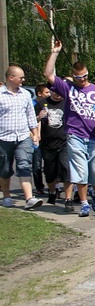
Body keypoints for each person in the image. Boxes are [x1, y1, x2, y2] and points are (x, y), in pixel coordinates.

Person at [43, 41, 95, 217]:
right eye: (77, 78)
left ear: (87, 74)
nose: (81, 81)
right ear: (73, 77)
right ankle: (83, 203)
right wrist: (55, 53)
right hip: (75, 135)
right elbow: (48, 74)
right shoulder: (68, 88)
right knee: (79, 171)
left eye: (84, 77)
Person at [0, 65, 41, 209]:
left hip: (23, 137)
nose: (23, 79)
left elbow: (30, 115)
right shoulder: (0, 94)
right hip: (3, 138)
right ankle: (6, 195)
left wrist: (35, 133)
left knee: (24, 165)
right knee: (5, 169)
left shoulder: (25, 94)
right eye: (21, 77)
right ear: (11, 78)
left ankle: (29, 198)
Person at [36, 86, 70, 207]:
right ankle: (52, 191)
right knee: (50, 172)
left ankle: (68, 199)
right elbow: (33, 121)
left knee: (66, 168)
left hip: (64, 141)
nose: (58, 94)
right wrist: (39, 117)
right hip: (47, 143)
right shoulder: (41, 103)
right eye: (56, 92)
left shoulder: (67, 102)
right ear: (51, 91)